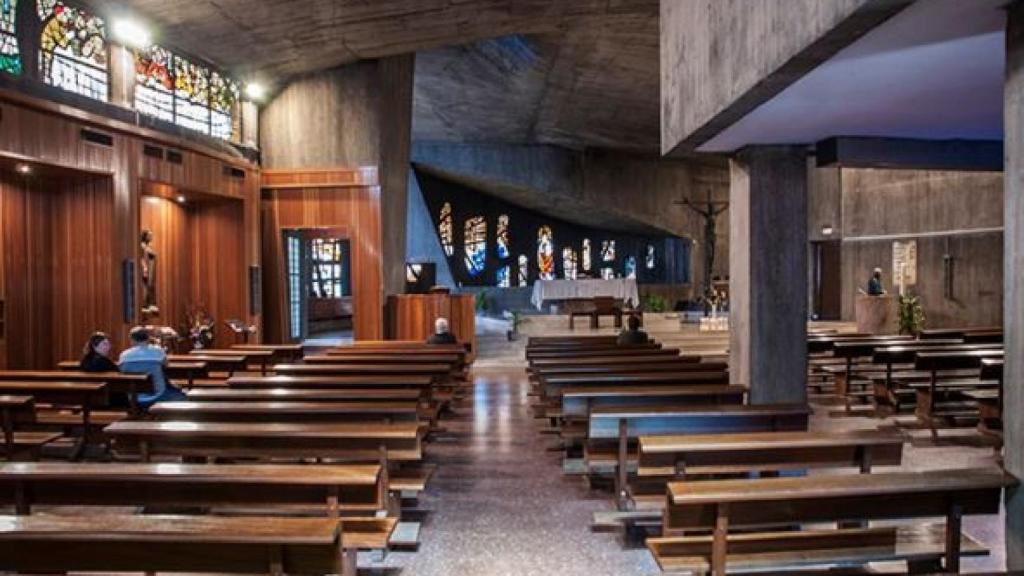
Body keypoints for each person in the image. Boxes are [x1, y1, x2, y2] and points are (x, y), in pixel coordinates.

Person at [118, 326, 185, 408]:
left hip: (133, 397)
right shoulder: (157, 351)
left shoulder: (124, 355)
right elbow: (166, 365)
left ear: (132, 340)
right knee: (183, 397)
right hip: (159, 395)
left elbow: (122, 370)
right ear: (148, 338)